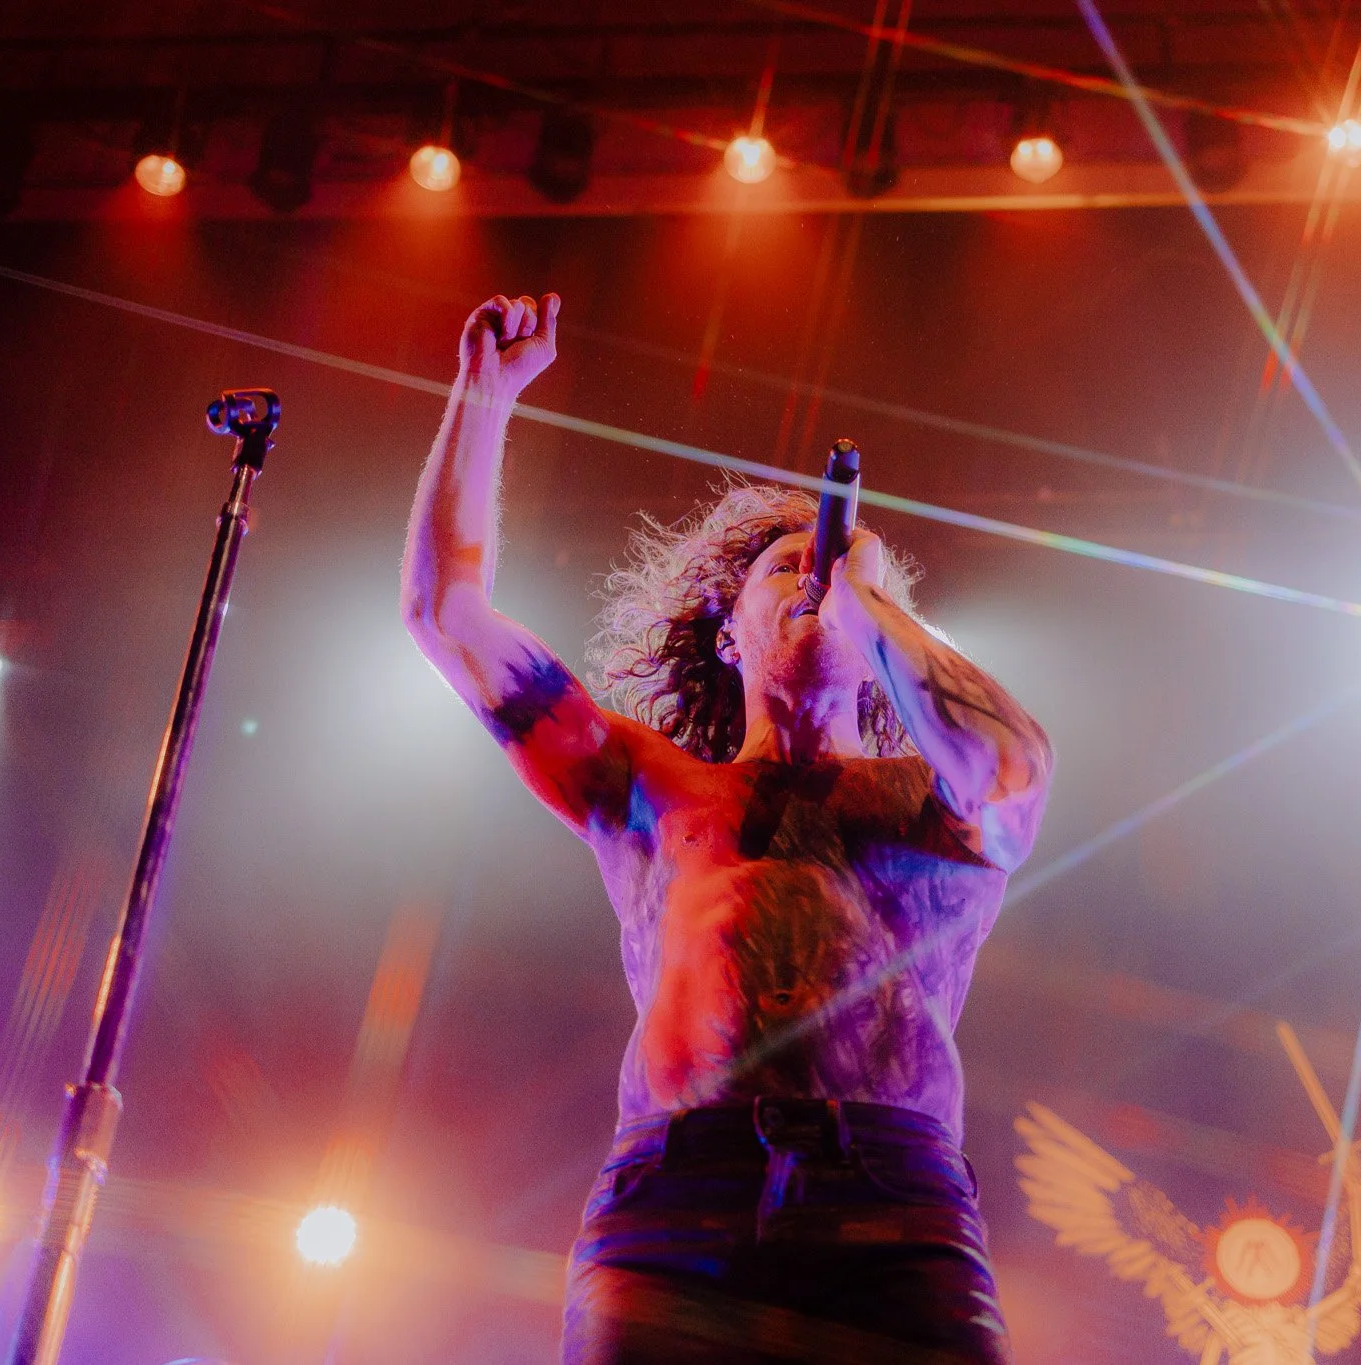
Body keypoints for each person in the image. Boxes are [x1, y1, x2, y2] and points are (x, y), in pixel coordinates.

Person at [401, 292, 1053, 1363]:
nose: (820, 580)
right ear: (729, 633)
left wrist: (867, 607)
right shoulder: (650, 786)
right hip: (677, 1200)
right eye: (786, 568)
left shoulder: (922, 800)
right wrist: (485, 395)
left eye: (843, 572)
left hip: (895, 1206)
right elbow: (448, 618)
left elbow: (1014, 769)